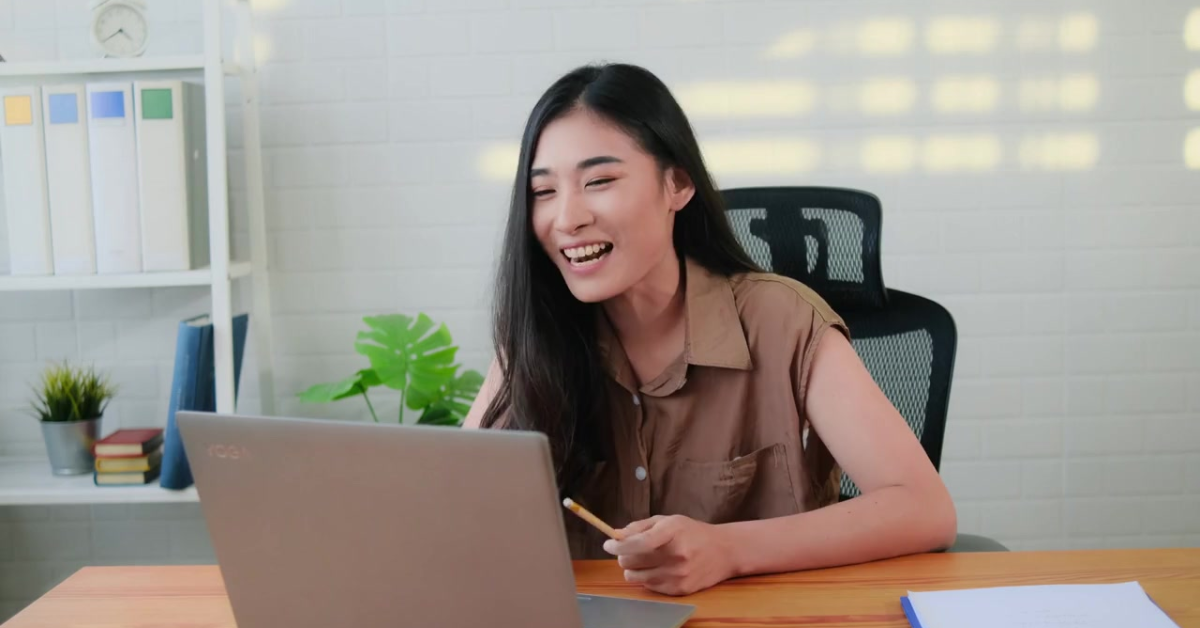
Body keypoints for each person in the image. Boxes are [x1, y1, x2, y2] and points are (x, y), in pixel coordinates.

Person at [464, 63, 956, 596]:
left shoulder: (781, 320)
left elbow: (923, 508)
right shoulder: (538, 336)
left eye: (599, 181)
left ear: (677, 183)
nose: (567, 217)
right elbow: (449, 510)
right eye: (543, 191)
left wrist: (728, 549)